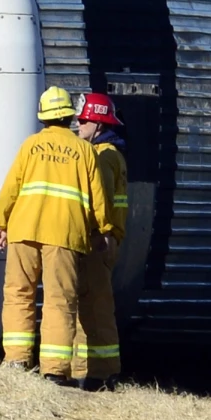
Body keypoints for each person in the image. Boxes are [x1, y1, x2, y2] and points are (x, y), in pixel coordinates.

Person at [0, 86, 112, 385]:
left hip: (23, 229)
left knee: (19, 293)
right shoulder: (84, 150)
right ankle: (55, 371)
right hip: (64, 233)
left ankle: (17, 360)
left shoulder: (30, 146)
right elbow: (99, 198)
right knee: (59, 299)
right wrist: (104, 231)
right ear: (70, 117)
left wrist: (1, 223)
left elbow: (10, 189)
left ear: (44, 117)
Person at [71, 92, 129, 392]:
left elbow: (101, 202)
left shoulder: (102, 155)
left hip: (97, 241)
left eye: (82, 121)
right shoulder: (109, 153)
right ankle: (94, 372)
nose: (78, 126)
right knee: (92, 306)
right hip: (103, 240)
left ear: (96, 122)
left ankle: (100, 374)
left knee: (94, 307)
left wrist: (100, 233)